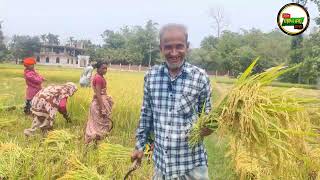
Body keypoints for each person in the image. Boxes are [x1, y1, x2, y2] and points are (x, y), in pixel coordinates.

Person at [131, 24, 213, 180]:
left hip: (192, 167)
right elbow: (146, 115)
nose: (174, 53)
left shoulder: (200, 77)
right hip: (162, 166)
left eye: (179, 47)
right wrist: (139, 146)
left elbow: (207, 116)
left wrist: (208, 128)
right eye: (168, 47)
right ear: (161, 48)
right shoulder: (151, 77)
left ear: (187, 47)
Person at [84, 61, 113, 144]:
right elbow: (98, 94)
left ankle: (93, 145)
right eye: (103, 68)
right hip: (99, 104)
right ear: (98, 69)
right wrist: (103, 108)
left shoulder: (98, 77)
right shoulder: (98, 78)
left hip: (98, 103)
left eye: (106, 68)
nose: (105, 70)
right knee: (98, 127)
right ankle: (88, 144)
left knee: (96, 126)